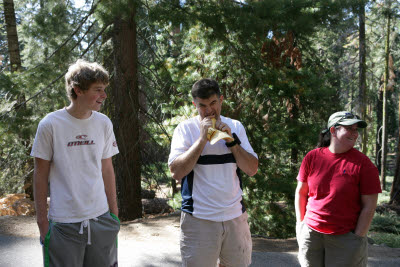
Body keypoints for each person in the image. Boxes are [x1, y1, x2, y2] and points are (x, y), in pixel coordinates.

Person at [31, 59, 120, 267]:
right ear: (78, 90)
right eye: (98, 90)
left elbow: (107, 169)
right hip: (63, 223)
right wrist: (42, 222)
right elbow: (40, 175)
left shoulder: (104, 123)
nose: (104, 96)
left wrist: (114, 215)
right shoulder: (50, 124)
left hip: (101, 220)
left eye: (104, 89)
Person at [168, 78, 258, 267]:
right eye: (202, 106)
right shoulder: (185, 129)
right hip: (199, 219)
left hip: (235, 217)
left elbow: (251, 169)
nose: (209, 111)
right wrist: (202, 139)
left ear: (221, 100)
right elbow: (176, 172)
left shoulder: (235, 126)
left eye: (213, 103)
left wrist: (232, 142)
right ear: (195, 104)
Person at [295, 111, 382, 267]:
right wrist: (300, 224)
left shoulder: (364, 164)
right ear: (333, 130)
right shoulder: (312, 157)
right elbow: (301, 192)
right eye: (349, 128)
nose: (355, 134)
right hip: (311, 235)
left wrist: (357, 238)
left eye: (356, 129)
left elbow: (369, 205)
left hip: (345, 239)